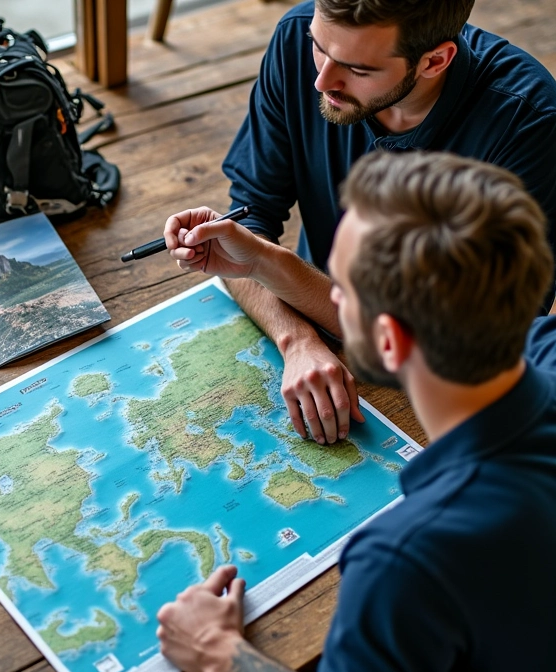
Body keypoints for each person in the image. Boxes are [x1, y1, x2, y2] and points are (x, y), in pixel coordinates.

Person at [157, 151, 556, 672]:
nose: (331, 297)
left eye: (340, 288)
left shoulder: (406, 559)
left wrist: (216, 649)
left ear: (390, 340)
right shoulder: (544, 346)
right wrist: (262, 261)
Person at [220, 0, 556, 446]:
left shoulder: (528, 121)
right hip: (305, 325)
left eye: (358, 69)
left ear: (434, 61)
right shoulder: (297, 36)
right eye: (319, 47)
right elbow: (248, 221)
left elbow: (472, 347)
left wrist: (268, 264)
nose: (322, 80)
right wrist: (296, 338)